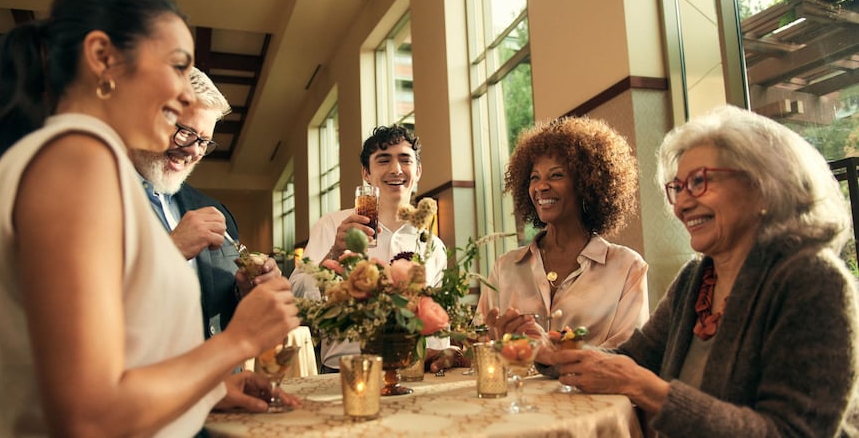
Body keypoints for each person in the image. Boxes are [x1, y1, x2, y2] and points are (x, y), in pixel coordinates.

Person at [0, 0, 299, 437]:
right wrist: (238, 341)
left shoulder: (65, 157)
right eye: (178, 66)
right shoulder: (77, 157)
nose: (184, 97)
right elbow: (89, 416)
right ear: (102, 57)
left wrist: (211, 390)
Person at [535, 105, 859, 437]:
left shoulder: (813, 280)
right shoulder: (697, 279)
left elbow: (792, 432)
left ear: (763, 185)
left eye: (699, 181)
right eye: (677, 188)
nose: (681, 204)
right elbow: (634, 358)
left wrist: (650, 391)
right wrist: (548, 352)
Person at [290, 124, 457, 372]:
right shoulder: (333, 225)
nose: (396, 169)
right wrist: (334, 254)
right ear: (366, 173)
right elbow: (296, 294)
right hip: (345, 370)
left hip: (415, 371)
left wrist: (443, 353)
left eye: (405, 160)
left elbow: (436, 315)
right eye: (383, 160)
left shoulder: (433, 245)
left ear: (418, 171)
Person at [130, 67, 279, 340]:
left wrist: (247, 292)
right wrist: (172, 251)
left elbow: (221, 316)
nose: (193, 151)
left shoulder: (216, 211)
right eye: (186, 133)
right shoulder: (97, 198)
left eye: (204, 142)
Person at [479, 116, 649, 348]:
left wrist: (552, 352)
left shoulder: (627, 267)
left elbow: (631, 354)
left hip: (591, 386)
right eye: (534, 178)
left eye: (556, 175)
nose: (540, 186)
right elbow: (481, 342)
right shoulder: (505, 268)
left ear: (586, 183)